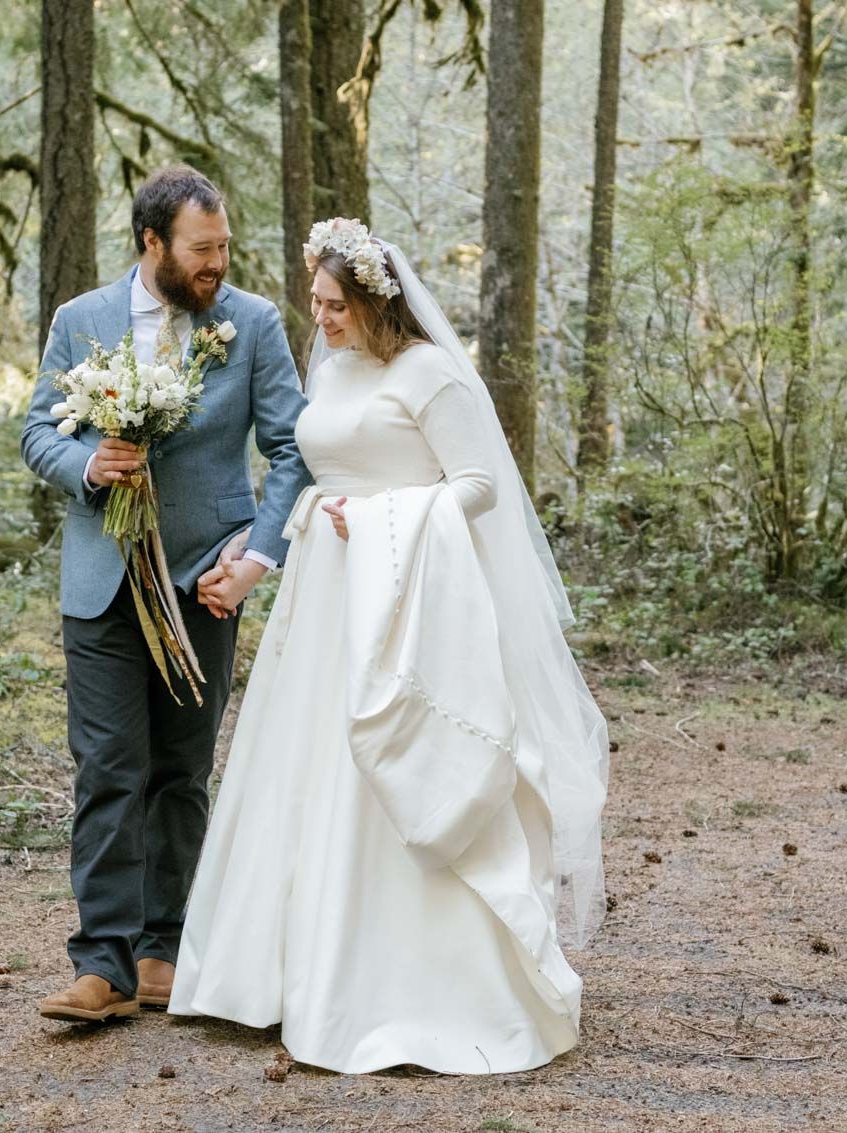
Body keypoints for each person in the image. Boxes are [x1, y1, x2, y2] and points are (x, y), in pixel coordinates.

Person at [169, 218, 611, 1073]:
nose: (321, 318)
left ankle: (405, 984)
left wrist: (376, 520)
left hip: (403, 594)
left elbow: (478, 486)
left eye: (335, 305)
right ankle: (276, 976)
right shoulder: (333, 371)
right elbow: (314, 463)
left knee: (379, 769)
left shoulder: (431, 374)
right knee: (303, 766)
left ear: (374, 301)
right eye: (316, 302)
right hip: (326, 594)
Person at [21, 166, 312, 1022]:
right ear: (153, 243)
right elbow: (40, 428)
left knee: (181, 772)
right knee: (109, 768)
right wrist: (87, 464)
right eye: (203, 248)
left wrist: (256, 553)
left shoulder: (252, 325)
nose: (218, 262)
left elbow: (293, 448)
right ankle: (100, 964)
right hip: (104, 585)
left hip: (204, 581)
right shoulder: (82, 320)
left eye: (224, 246)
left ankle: (164, 947)